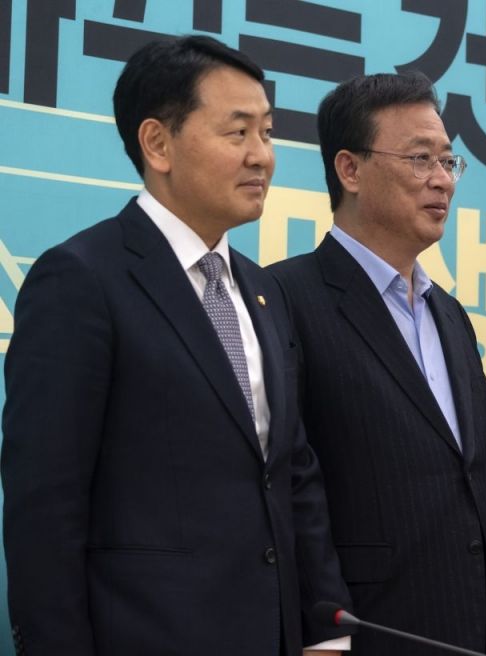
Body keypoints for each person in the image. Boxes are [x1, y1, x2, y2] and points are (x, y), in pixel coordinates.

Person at [1, 36, 349, 654]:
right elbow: (45, 502)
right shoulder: (81, 279)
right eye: (237, 133)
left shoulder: (263, 289)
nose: (262, 156)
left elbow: (292, 470)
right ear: (158, 143)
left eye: (267, 133)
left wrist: (325, 629)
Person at [268, 72, 486, 656]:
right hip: (365, 627)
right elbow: (287, 483)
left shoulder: (449, 314)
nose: (442, 180)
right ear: (350, 170)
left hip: (477, 625)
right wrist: (322, 624)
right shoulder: (284, 297)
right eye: (420, 159)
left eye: (448, 162)